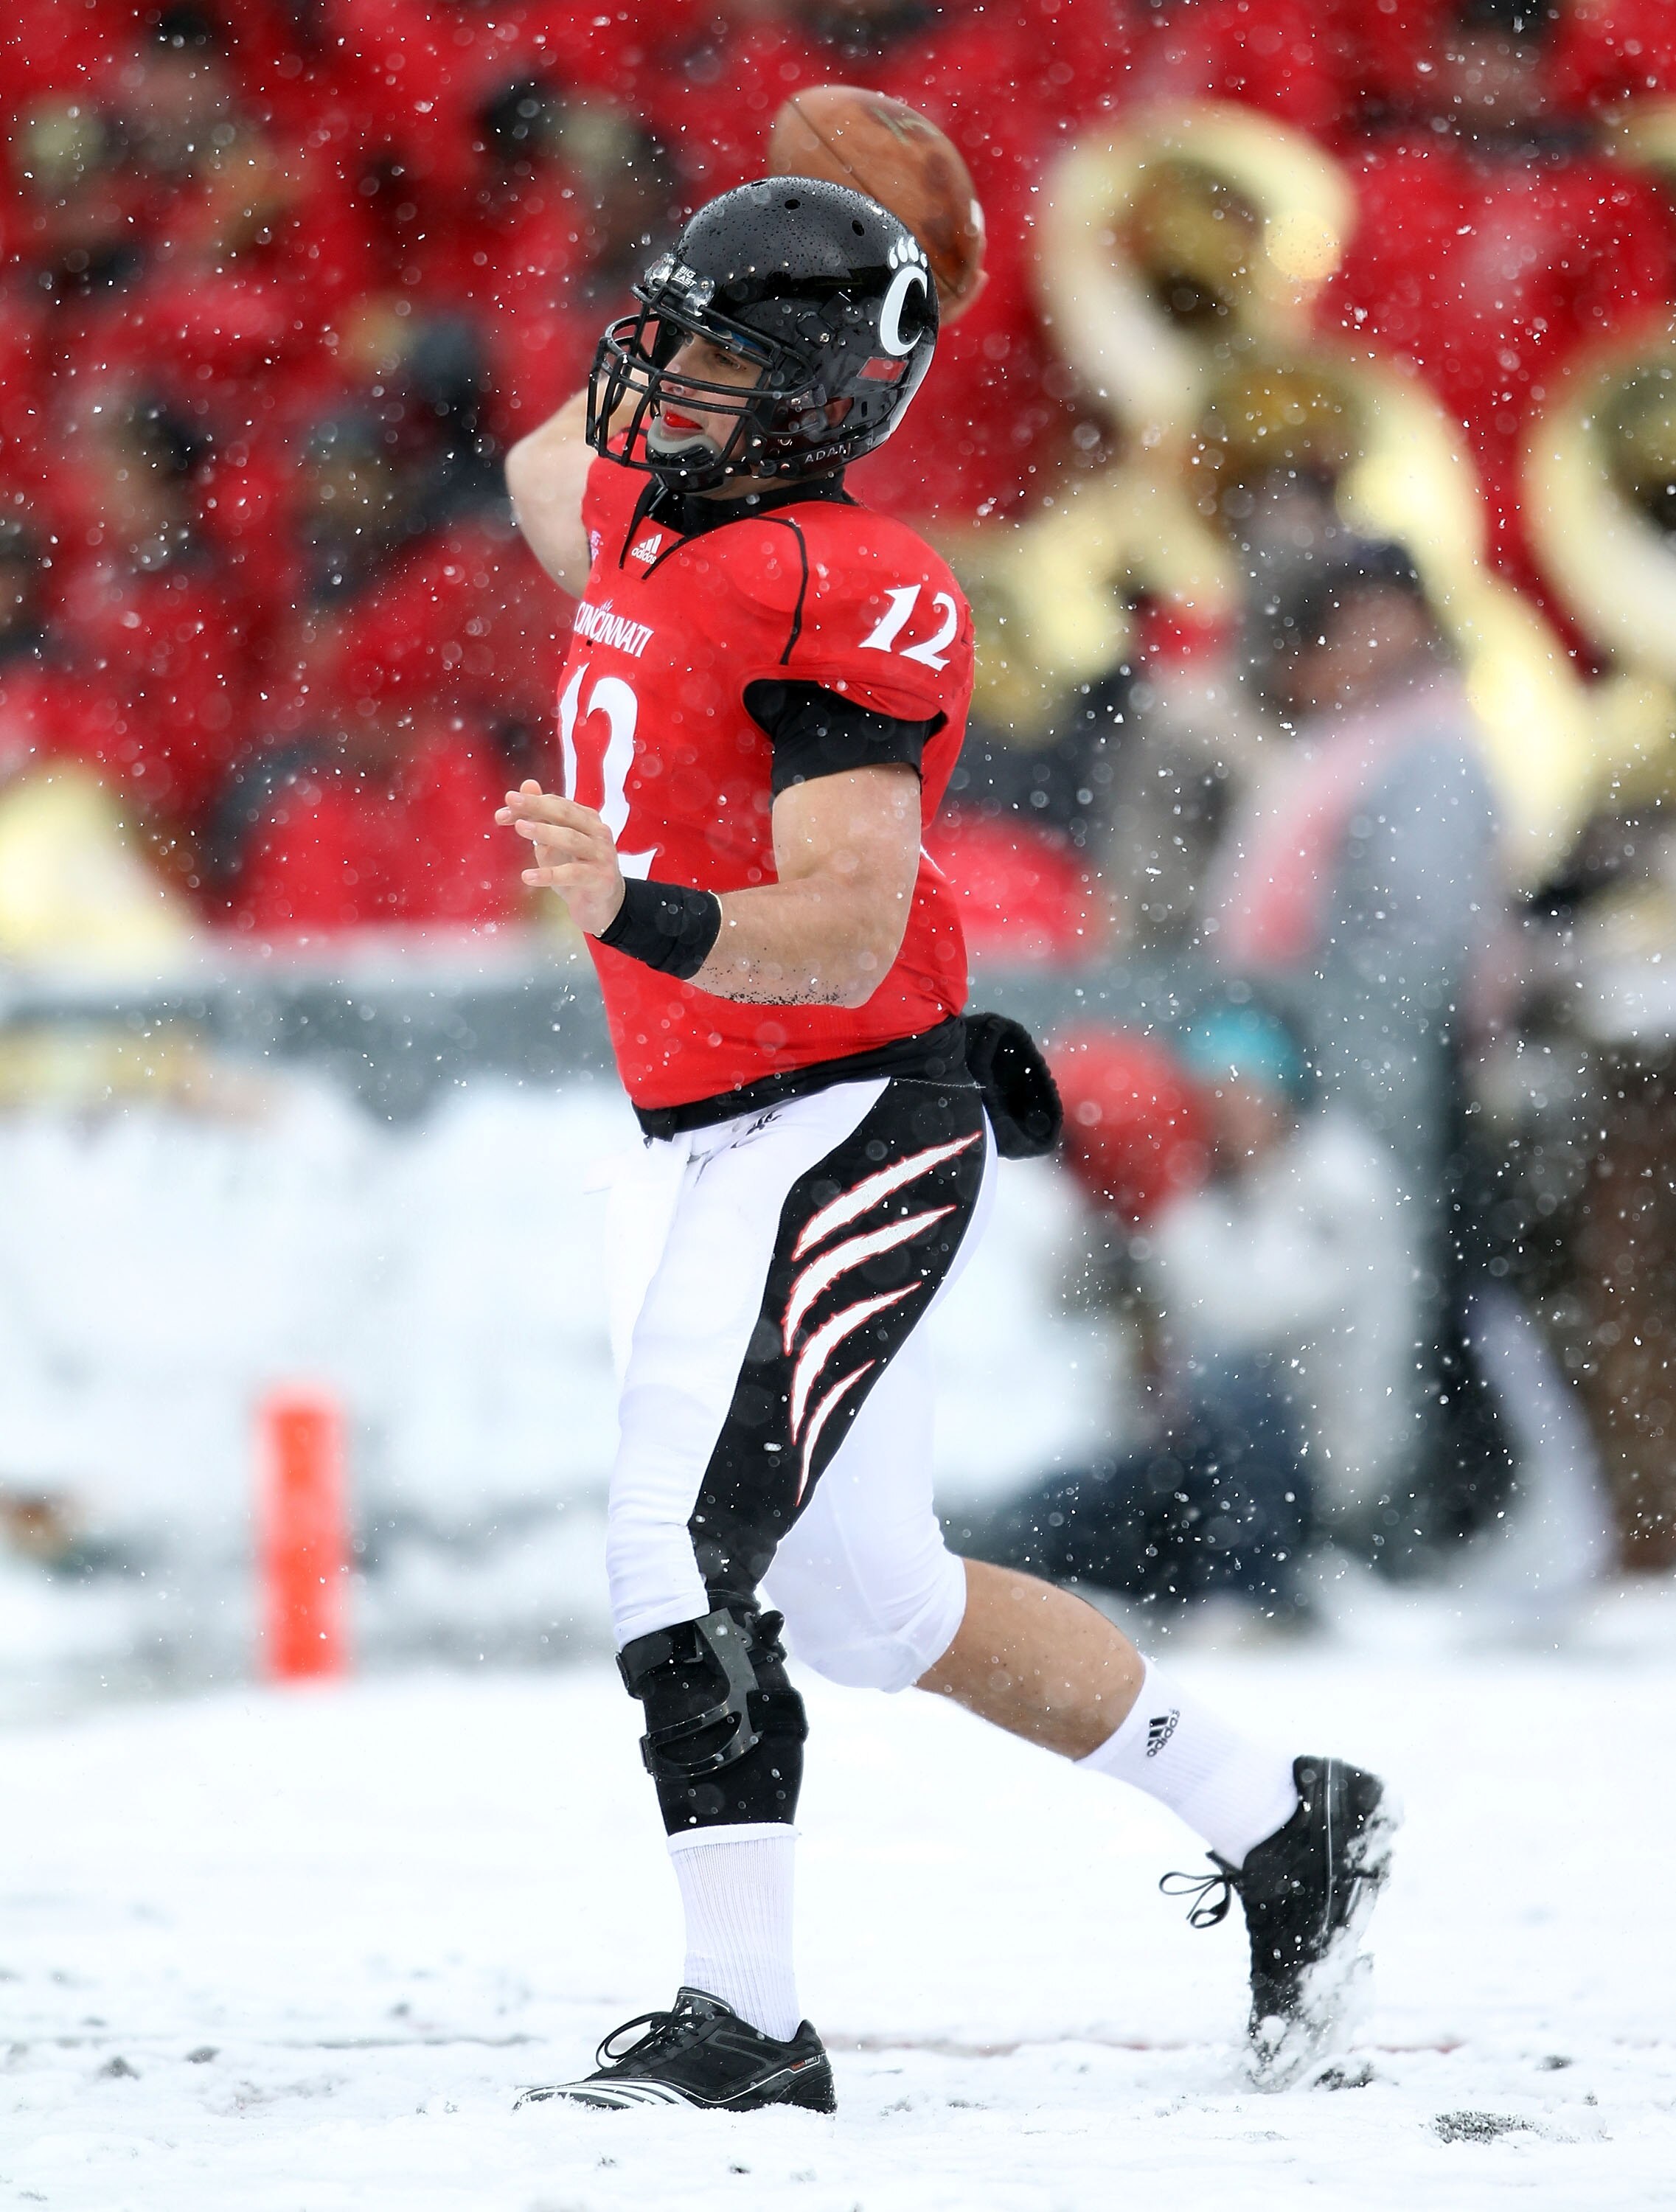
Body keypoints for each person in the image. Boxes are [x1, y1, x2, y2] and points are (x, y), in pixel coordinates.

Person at [497, 175, 1396, 2115]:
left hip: (837, 1109)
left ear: (819, 404)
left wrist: (636, 911)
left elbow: (838, 911)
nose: (657, 382)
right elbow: (535, 468)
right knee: (874, 1604)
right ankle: (1279, 1820)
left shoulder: (838, 575)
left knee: (678, 1529)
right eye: (660, 336)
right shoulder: (659, 514)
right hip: (719, 1124)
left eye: (716, 357)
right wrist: (767, 231)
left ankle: (743, 2020)